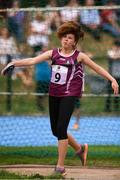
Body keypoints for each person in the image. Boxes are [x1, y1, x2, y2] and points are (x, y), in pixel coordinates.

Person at [1, 21, 119, 177]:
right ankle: (80, 149)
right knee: (55, 130)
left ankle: (60, 166)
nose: (66, 40)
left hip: (70, 94)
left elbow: (97, 68)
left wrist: (112, 80)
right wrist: (14, 63)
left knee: (61, 128)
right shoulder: (53, 53)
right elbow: (32, 61)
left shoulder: (79, 56)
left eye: (70, 38)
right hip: (54, 94)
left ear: (75, 41)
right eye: (64, 37)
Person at [105, 38, 120, 111]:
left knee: (117, 92)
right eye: (115, 46)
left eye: (118, 46)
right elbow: (112, 56)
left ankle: (116, 108)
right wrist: (116, 52)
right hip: (111, 76)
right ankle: (107, 108)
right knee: (108, 92)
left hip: (119, 76)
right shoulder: (110, 52)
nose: (116, 47)